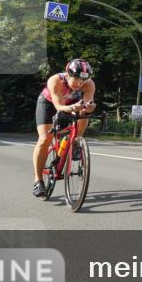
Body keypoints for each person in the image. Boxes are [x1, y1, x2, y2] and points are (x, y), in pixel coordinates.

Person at [32, 59, 96, 197]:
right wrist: (72, 108)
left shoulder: (89, 84)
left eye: (83, 81)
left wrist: (88, 108)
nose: (80, 84)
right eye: (77, 79)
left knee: (84, 117)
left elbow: (86, 104)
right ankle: (38, 181)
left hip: (72, 103)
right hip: (49, 104)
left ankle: (75, 143)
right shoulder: (55, 80)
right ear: (68, 74)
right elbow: (59, 107)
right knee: (44, 139)